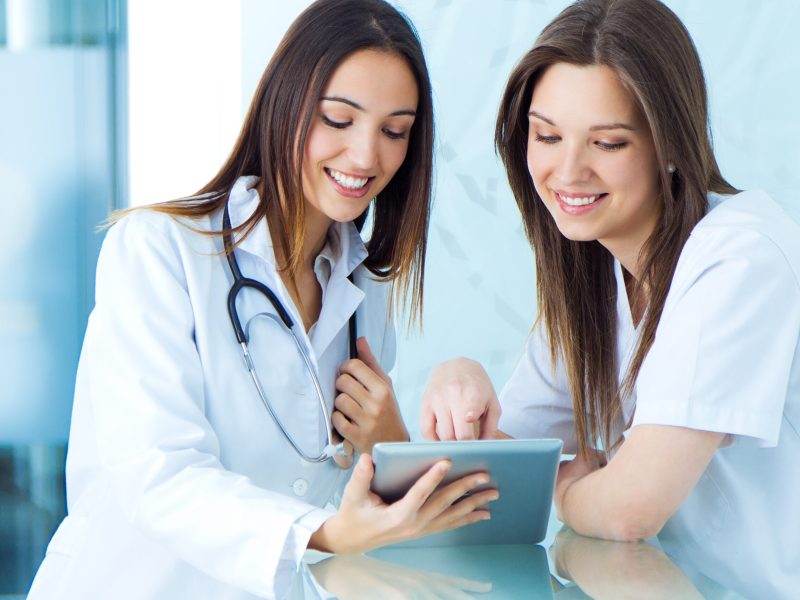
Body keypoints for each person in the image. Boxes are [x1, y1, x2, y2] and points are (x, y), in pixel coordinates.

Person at [28, 1, 497, 598]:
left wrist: (390, 439)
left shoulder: (363, 290)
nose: (365, 156)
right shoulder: (158, 251)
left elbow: (356, 509)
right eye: (338, 119)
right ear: (287, 103)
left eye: (394, 131)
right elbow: (158, 474)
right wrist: (321, 532)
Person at [421, 0, 800, 597]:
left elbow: (630, 510)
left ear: (671, 145)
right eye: (547, 135)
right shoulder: (595, 277)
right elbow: (507, 469)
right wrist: (458, 376)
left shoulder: (740, 255)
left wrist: (570, 494)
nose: (568, 171)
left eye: (608, 143)